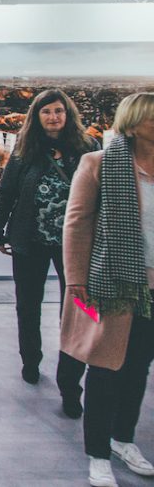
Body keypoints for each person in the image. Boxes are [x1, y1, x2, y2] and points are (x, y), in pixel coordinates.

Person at [61, 92, 154, 487]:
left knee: (137, 369)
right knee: (104, 367)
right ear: (134, 122)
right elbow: (77, 224)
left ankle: (122, 439)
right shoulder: (100, 163)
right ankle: (97, 453)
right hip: (112, 283)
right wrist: (76, 282)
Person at [0, 89, 99, 413]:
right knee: (28, 305)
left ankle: (70, 384)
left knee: (77, 310)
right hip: (29, 239)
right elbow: (5, 192)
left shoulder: (86, 149)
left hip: (75, 245)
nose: (53, 117)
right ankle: (30, 361)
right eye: (47, 111)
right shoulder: (25, 151)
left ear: (68, 115)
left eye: (59, 111)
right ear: (36, 116)